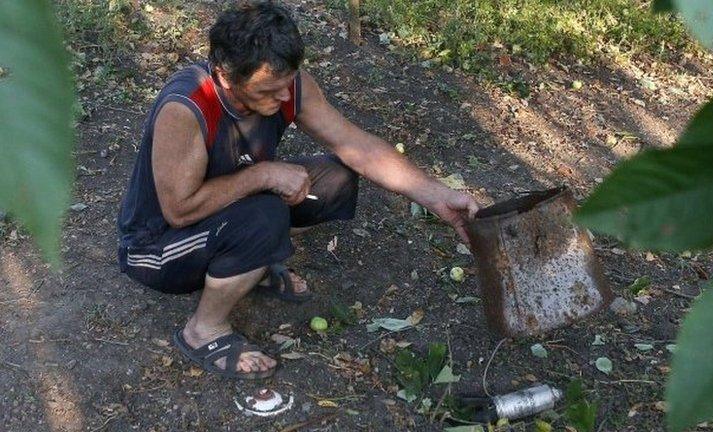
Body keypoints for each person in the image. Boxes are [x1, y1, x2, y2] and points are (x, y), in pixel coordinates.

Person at [117, 1, 479, 379]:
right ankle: (203, 329)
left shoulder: (290, 87)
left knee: (335, 180)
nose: (286, 98)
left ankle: (249, 266)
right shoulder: (189, 105)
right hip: (156, 248)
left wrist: (438, 197)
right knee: (265, 216)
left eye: (289, 83)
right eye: (272, 90)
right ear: (226, 76)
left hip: (220, 219)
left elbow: (359, 147)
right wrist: (263, 175)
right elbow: (179, 210)